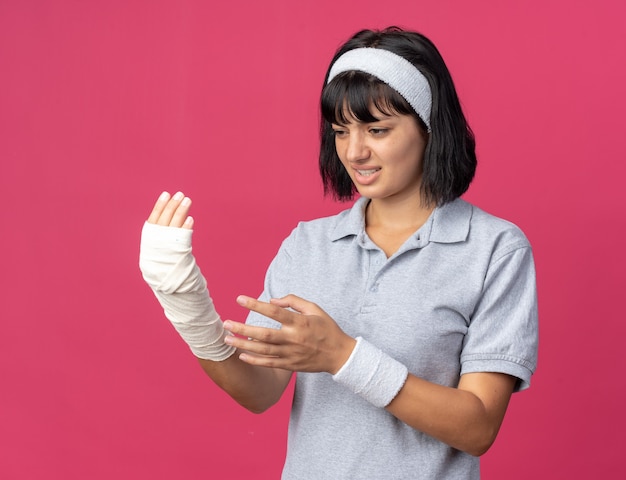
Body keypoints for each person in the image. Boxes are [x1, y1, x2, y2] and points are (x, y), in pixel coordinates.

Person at [139, 26, 538, 479]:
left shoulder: (495, 250)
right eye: (340, 130)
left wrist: (342, 356)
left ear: (429, 127)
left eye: (377, 129)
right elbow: (259, 391)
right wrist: (184, 301)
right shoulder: (309, 245)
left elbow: (477, 426)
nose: (354, 151)